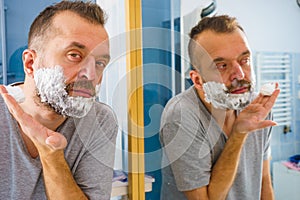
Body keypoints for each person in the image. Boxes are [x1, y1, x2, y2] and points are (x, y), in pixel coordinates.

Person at [0, 1, 118, 200]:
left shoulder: (100, 120)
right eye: (74, 55)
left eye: (99, 63)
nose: (90, 76)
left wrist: (51, 154)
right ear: (31, 63)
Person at [160, 15, 280, 200]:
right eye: (222, 66)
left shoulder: (257, 106)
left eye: (244, 60)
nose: (239, 74)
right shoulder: (181, 116)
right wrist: (238, 134)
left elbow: (264, 181)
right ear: (198, 80)